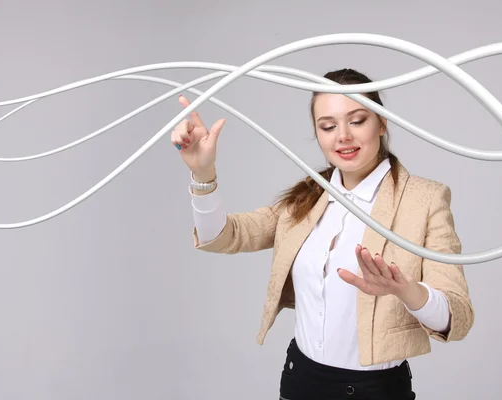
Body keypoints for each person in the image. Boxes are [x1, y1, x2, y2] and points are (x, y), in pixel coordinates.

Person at [171, 68, 474, 400]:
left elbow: (457, 318)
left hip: (375, 391)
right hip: (300, 379)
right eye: (327, 126)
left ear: (382, 123)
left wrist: (407, 290)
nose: (342, 136)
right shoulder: (307, 197)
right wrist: (203, 173)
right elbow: (224, 236)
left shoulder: (424, 199)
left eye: (357, 120)